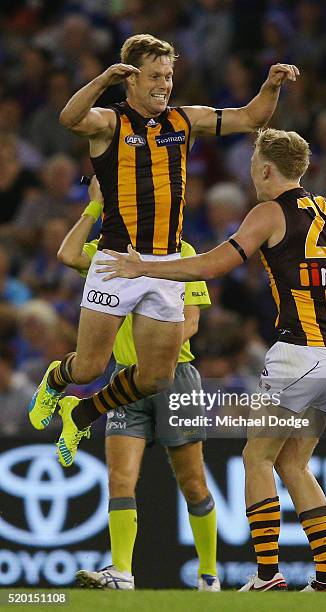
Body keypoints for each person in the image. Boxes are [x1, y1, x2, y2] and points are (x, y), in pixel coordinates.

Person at [95, 128, 326, 592]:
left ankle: (268, 574)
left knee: (256, 456)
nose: (251, 170)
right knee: (293, 464)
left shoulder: (269, 212)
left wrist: (144, 267)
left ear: (267, 169)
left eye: (254, 162)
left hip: (299, 353)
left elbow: (213, 265)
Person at [28, 33, 300, 466]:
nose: (165, 84)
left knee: (156, 377)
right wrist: (102, 80)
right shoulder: (109, 123)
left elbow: (251, 118)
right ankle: (57, 382)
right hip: (117, 261)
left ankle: (80, 412)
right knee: (88, 368)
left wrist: (272, 86)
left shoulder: (184, 120)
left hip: (167, 264)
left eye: (169, 75)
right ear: (130, 80)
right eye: (155, 76)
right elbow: (69, 118)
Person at [57, 177, 219, 591]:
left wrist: (154, 344)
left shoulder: (182, 253)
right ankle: (122, 574)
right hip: (124, 382)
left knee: (192, 480)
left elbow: (193, 321)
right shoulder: (108, 254)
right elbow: (67, 253)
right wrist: (94, 206)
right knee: (120, 478)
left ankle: (209, 575)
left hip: (175, 378)